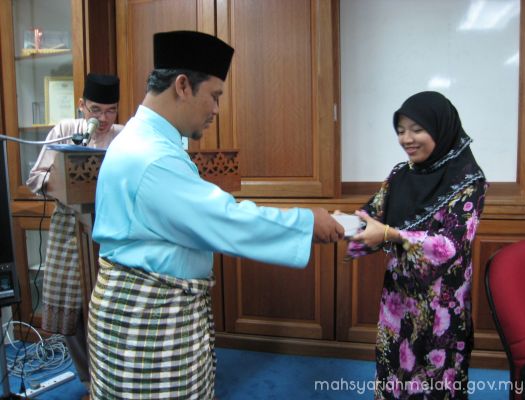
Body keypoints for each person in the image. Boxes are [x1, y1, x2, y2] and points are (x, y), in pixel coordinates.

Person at [87, 30, 344, 400]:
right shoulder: (150, 155)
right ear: (182, 86)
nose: (216, 110)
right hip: (148, 319)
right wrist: (306, 222)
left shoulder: (145, 141)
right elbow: (225, 219)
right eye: (215, 95)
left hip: (155, 309)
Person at [344, 91, 487, 399]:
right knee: (394, 372)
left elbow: (451, 244)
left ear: (440, 128)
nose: (406, 139)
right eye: (400, 130)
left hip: (442, 305)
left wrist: (392, 235)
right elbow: (372, 215)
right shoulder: (400, 174)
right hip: (398, 298)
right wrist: (334, 225)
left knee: (436, 381)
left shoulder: (468, 181)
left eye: (417, 129)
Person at [26, 73, 122, 396]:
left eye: (111, 110)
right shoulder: (66, 130)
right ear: (82, 106)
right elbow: (35, 178)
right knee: (70, 312)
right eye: (96, 110)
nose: (104, 119)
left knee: (107, 309)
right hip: (69, 228)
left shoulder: (124, 135)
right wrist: (67, 184)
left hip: (111, 229)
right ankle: (88, 379)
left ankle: (111, 380)